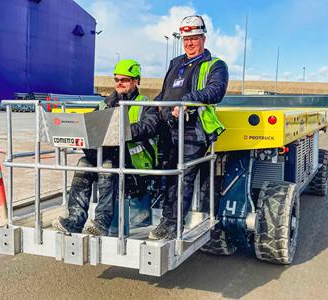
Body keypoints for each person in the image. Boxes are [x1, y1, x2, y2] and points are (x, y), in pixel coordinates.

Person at [52, 59, 160, 236]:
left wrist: (121, 131)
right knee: (84, 163)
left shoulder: (145, 104)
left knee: (108, 165)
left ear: (136, 81)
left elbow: (150, 126)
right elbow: (90, 125)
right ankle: (75, 220)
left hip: (135, 163)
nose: (119, 83)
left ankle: (101, 222)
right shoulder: (105, 104)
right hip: (109, 155)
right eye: (117, 79)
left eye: (125, 79)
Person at [148, 15, 229, 240]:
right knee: (168, 174)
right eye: (186, 39)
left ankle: (173, 225)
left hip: (193, 129)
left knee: (183, 175)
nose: (189, 43)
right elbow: (165, 93)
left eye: (194, 38)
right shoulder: (176, 63)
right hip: (168, 128)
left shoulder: (215, 65)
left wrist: (187, 101)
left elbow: (216, 91)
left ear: (203, 38)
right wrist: (152, 107)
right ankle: (166, 218)